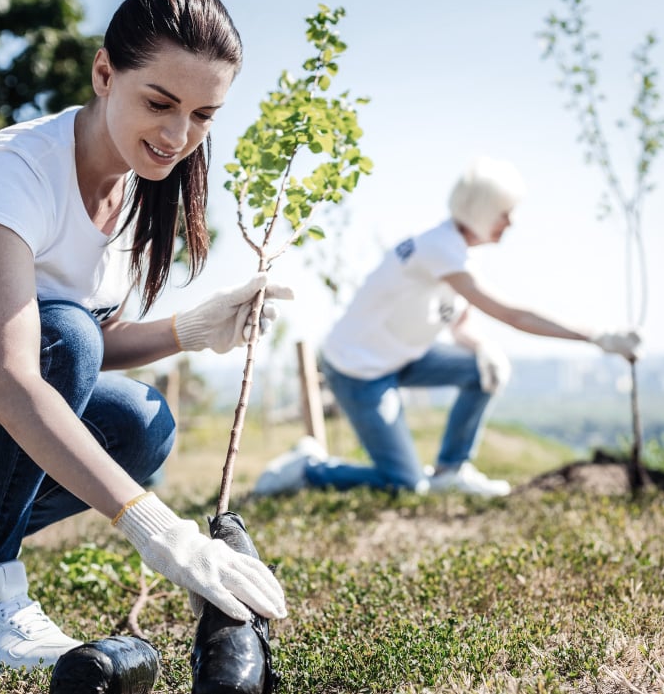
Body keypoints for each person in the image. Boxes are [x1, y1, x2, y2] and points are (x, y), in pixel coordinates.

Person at [0, 0, 293, 672]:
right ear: (105, 73)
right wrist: (158, 532)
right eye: (160, 103)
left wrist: (191, 329)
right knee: (66, 340)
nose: (179, 133)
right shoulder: (16, 173)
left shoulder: (132, 188)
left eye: (203, 116)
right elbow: (15, 375)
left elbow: (101, 337)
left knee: (141, 421)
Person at [253, 156, 641, 498]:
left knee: (481, 370)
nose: (512, 221)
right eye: (504, 212)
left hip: (403, 356)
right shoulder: (440, 248)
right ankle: (308, 468)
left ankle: (452, 470)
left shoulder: (456, 253)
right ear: (482, 211)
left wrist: (482, 348)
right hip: (359, 370)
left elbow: (461, 326)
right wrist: (596, 336)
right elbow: (513, 315)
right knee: (404, 483)